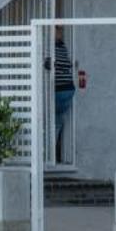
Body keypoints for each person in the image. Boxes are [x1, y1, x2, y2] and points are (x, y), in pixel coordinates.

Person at [47, 34, 78, 165]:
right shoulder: (64, 48)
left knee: (50, 121)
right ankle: (51, 155)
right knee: (57, 121)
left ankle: (48, 155)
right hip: (69, 89)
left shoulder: (51, 48)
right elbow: (69, 64)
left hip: (59, 90)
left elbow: (49, 65)